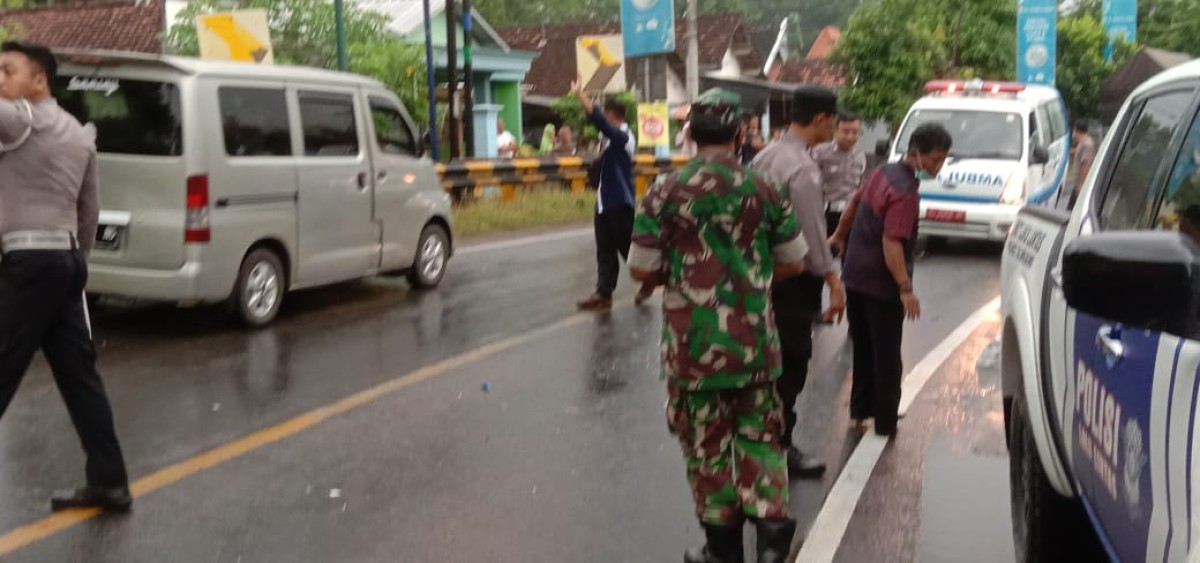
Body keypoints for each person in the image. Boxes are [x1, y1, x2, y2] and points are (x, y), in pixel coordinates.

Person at [629, 88, 808, 563]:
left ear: (688, 134)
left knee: (707, 449)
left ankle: (723, 551)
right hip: (754, 346)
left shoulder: (664, 190)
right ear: (738, 134)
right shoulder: (766, 186)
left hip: (694, 351)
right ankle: (771, 542)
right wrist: (750, 275)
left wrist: (684, 275)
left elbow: (641, 269)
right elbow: (795, 260)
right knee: (762, 440)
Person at [0, 41, 131, 512]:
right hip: (66, 260)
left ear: (39, 81)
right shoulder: (79, 134)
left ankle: (110, 482)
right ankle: (110, 482)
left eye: (7, 70)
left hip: (32, 264)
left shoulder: (20, 118)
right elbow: (89, 212)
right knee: (79, 377)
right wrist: (74, 267)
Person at [829, 123, 952, 437]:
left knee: (864, 348)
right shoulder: (906, 193)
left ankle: (860, 412)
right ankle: (884, 422)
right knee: (886, 356)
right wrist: (905, 288)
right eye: (935, 159)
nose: (938, 166)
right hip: (880, 285)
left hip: (854, 275)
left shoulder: (881, 172)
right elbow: (892, 242)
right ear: (914, 154)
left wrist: (840, 237)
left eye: (942, 159)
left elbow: (853, 206)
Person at [752, 85, 844, 478]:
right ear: (822, 119)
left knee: (764, 363)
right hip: (793, 280)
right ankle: (780, 447)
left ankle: (760, 443)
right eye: (833, 120)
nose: (834, 127)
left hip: (759, 274)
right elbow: (810, 231)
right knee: (791, 364)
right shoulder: (802, 169)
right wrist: (832, 279)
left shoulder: (765, 155)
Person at [571, 78, 647, 311]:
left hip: (619, 202)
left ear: (613, 115)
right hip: (604, 202)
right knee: (604, 249)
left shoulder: (624, 137)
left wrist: (581, 96)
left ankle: (648, 279)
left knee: (627, 248)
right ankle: (604, 294)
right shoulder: (610, 138)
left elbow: (601, 123)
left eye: (606, 114)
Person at [814, 113, 867, 239]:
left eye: (855, 132)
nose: (850, 137)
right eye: (846, 131)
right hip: (825, 214)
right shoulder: (820, 153)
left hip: (851, 215)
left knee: (850, 256)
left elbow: (861, 187)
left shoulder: (860, 156)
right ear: (835, 130)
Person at [1069, 120, 1096, 209]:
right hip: (1077, 184)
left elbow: (1086, 165)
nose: (1073, 133)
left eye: (1074, 130)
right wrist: (1069, 152)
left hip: (1080, 185)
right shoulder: (1082, 142)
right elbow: (1078, 152)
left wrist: (1080, 187)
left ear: (1077, 131)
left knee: (1074, 210)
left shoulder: (1087, 145)